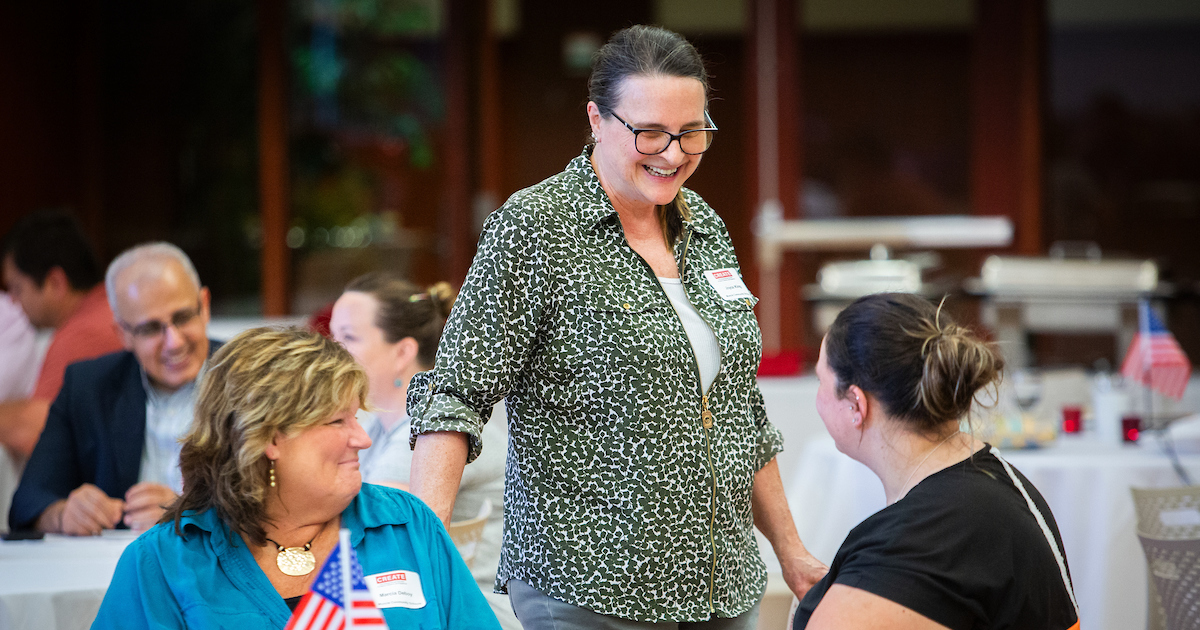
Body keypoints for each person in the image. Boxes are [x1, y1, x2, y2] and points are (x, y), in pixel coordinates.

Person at [406, 24, 825, 628]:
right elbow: (454, 394)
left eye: (692, 132)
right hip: (588, 586)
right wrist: (426, 547)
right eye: (650, 132)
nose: (674, 153)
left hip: (721, 582)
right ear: (597, 120)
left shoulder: (703, 225)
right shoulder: (535, 229)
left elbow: (737, 410)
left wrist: (790, 550)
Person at [91, 327, 501, 629]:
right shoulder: (162, 563)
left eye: (356, 418)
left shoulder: (407, 527)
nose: (361, 439)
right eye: (339, 421)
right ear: (268, 437)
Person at [792, 293, 1079, 630]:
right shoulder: (992, 478)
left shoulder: (914, 548)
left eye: (820, 381)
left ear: (856, 404)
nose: (818, 399)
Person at [330, 273, 516, 629]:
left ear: (403, 351)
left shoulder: (434, 433)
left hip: (472, 613)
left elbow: (367, 529)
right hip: (418, 602)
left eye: (348, 338)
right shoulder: (372, 423)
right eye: (332, 336)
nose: (332, 353)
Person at [8, 242, 215, 534]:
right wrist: (63, 514)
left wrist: (193, 511)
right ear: (123, 335)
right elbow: (29, 502)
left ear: (204, 306)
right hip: (114, 570)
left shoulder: (252, 380)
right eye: (151, 329)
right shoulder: (88, 387)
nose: (174, 342)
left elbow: (283, 506)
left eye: (182, 318)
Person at [0, 210, 123, 458]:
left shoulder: (84, 333)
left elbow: (39, 434)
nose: (13, 301)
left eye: (17, 288)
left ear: (55, 282)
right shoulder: (108, 308)